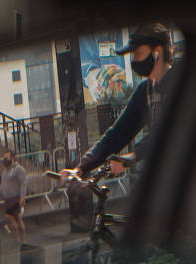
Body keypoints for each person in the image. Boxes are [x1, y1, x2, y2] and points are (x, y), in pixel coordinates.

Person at [66, 23, 180, 180]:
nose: (134, 61)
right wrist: (81, 168)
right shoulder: (145, 91)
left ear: (157, 52)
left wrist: (134, 156)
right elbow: (117, 133)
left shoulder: (182, 78)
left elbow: (171, 129)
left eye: (138, 53)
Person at [0, 149, 28, 248]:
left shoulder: (18, 169)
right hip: (8, 199)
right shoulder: (5, 172)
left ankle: (21, 241)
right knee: (15, 219)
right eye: (4, 158)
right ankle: (20, 241)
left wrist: (22, 197)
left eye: (6, 157)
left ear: (12, 158)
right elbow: (2, 186)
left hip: (16, 198)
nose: (5, 159)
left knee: (14, 219)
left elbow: (23, 183)